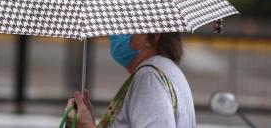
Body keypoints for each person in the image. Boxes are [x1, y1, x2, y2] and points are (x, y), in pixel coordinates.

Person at [65, 33, 196, 128]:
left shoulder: (150, 78)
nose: (115, 33)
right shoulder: (165, 70)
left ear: (154, 37)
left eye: (129, 26)